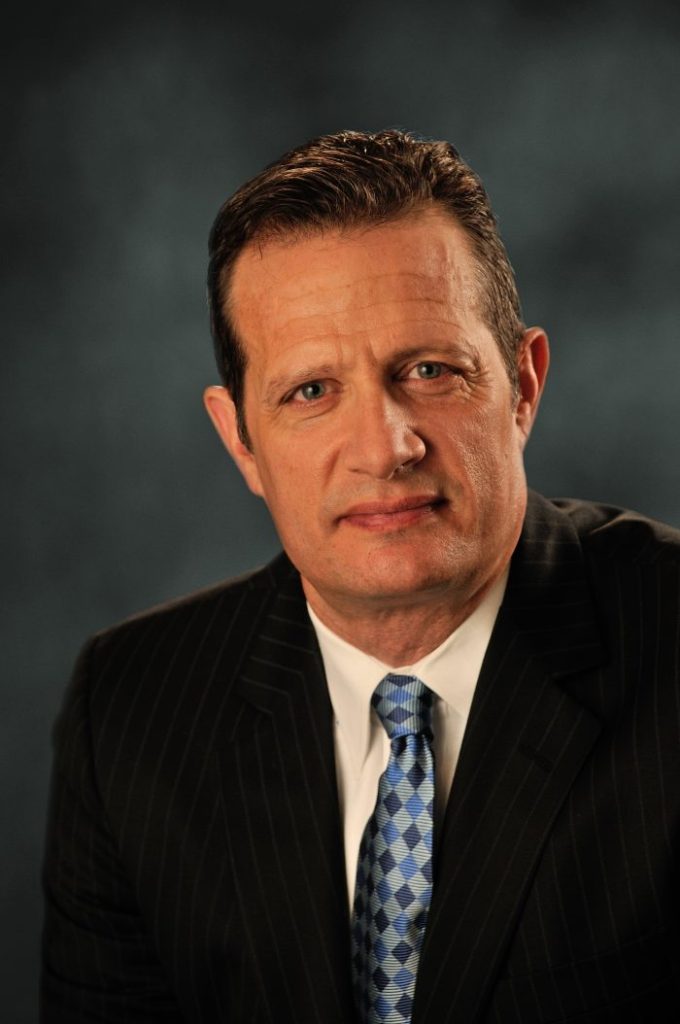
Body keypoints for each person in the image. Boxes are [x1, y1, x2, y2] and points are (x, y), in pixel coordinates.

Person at [41, 130, 680, 1023]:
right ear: (241, 440)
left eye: (429, 370)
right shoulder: (133, 710)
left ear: (524, 386)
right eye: (310, 392)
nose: (386, 448)